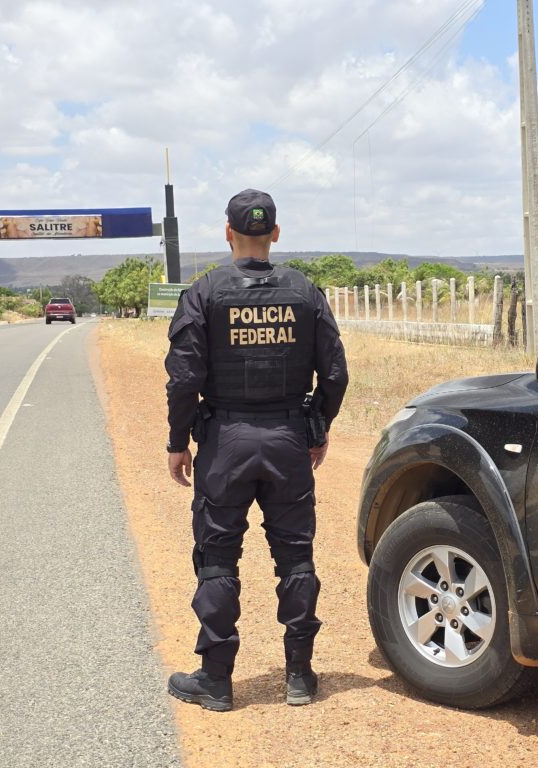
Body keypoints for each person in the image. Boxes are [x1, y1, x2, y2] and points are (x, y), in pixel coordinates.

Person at [163, 189, 349, 711]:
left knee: (218, 557)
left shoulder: (205, 292)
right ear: (275, 233)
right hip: (289, 441)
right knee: (295, 555)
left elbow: (183, 379)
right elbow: (335, 372)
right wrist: (317, 426)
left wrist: (179, 442)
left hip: (225, 444)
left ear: (228, 232)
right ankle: (299, 676)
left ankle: (216, 681)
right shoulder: (305, 292)